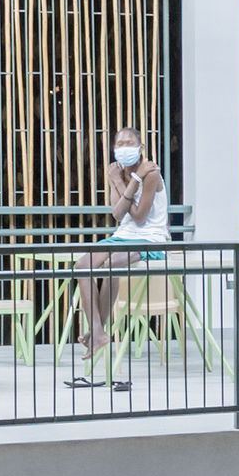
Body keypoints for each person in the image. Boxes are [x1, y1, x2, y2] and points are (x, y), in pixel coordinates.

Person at [68, 128, 173, 390]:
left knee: (113, 263)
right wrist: (119, 181)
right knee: (83, 265)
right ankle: (98, 330)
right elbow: (118, 214)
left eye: (129, 142)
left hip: (151, 237)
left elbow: (139, 216)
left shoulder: (151, 174)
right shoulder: (117, 173)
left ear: (140, 146)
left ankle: (97, 333)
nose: (123, 146)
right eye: (119, 143)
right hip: (122, 235)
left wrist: (135, 178)